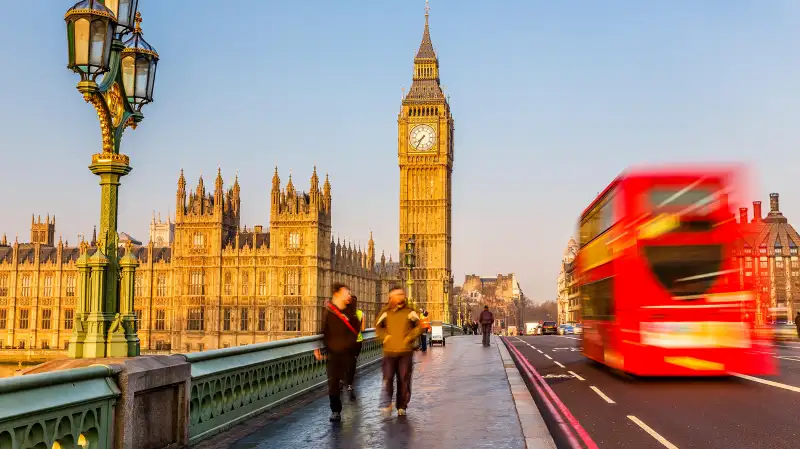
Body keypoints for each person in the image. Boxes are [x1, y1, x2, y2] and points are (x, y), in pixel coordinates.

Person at [315, 282, 359, 422]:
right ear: (337, 293)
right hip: (333, 351)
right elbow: (323, 330)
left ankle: (347, 387)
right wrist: (319, 347)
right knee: (333, 383)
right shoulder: (329, 310)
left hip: (347, 350)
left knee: (346, 377)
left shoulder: (350, 310)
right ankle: (335, 411)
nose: (349, 295)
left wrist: (350, 343)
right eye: (346, 292)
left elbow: (356, 328)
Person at [375, 286, 422, 417]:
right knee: (388, 378)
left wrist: (409, 337)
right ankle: (387, 402)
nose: (401, 296)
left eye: (402, 294)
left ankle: (402, 406)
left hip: (405, 351)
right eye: (398, 294)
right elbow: (378, 326)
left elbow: (419, 326)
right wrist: (385, 337)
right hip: (389, 351)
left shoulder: (410, 311)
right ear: (391, 298)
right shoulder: (385, 312)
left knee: (404, 380)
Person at [343, 295, 366, 400]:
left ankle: (342, 379)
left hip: (347, 341)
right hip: (358, 341)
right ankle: (349, 384)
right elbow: (363, 328)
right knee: (353, 362)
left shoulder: (343, 313)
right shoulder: (361, 313)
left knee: (345, 360)